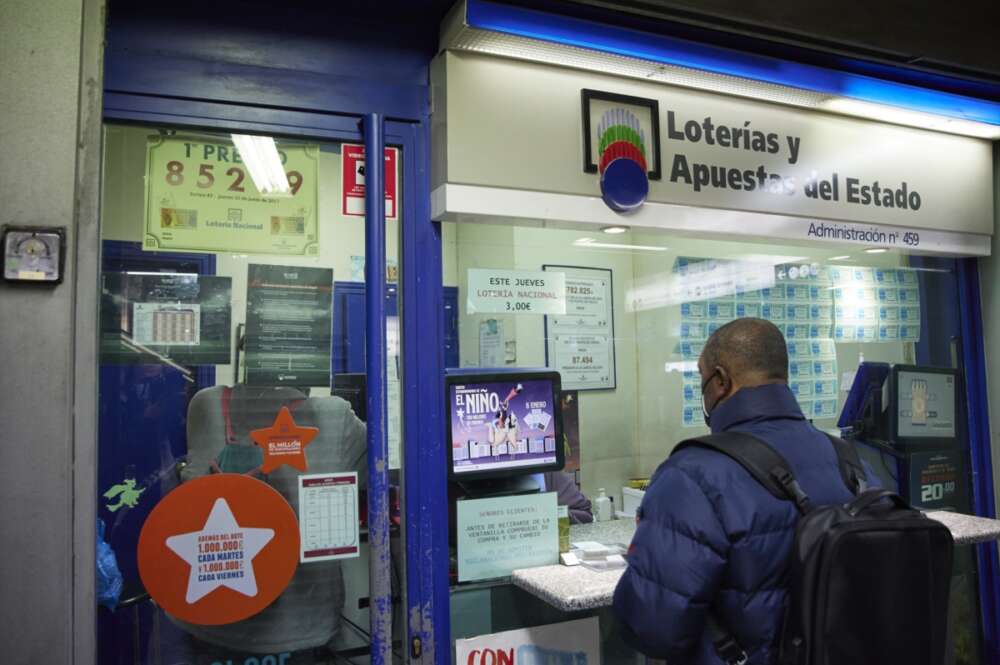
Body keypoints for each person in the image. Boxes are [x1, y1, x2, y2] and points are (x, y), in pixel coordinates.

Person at [613, 318, 875, 664]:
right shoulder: (849, 462)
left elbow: (652, 626)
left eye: (701, 379)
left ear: (720, 381)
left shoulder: (692, 474)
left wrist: (644, 557)